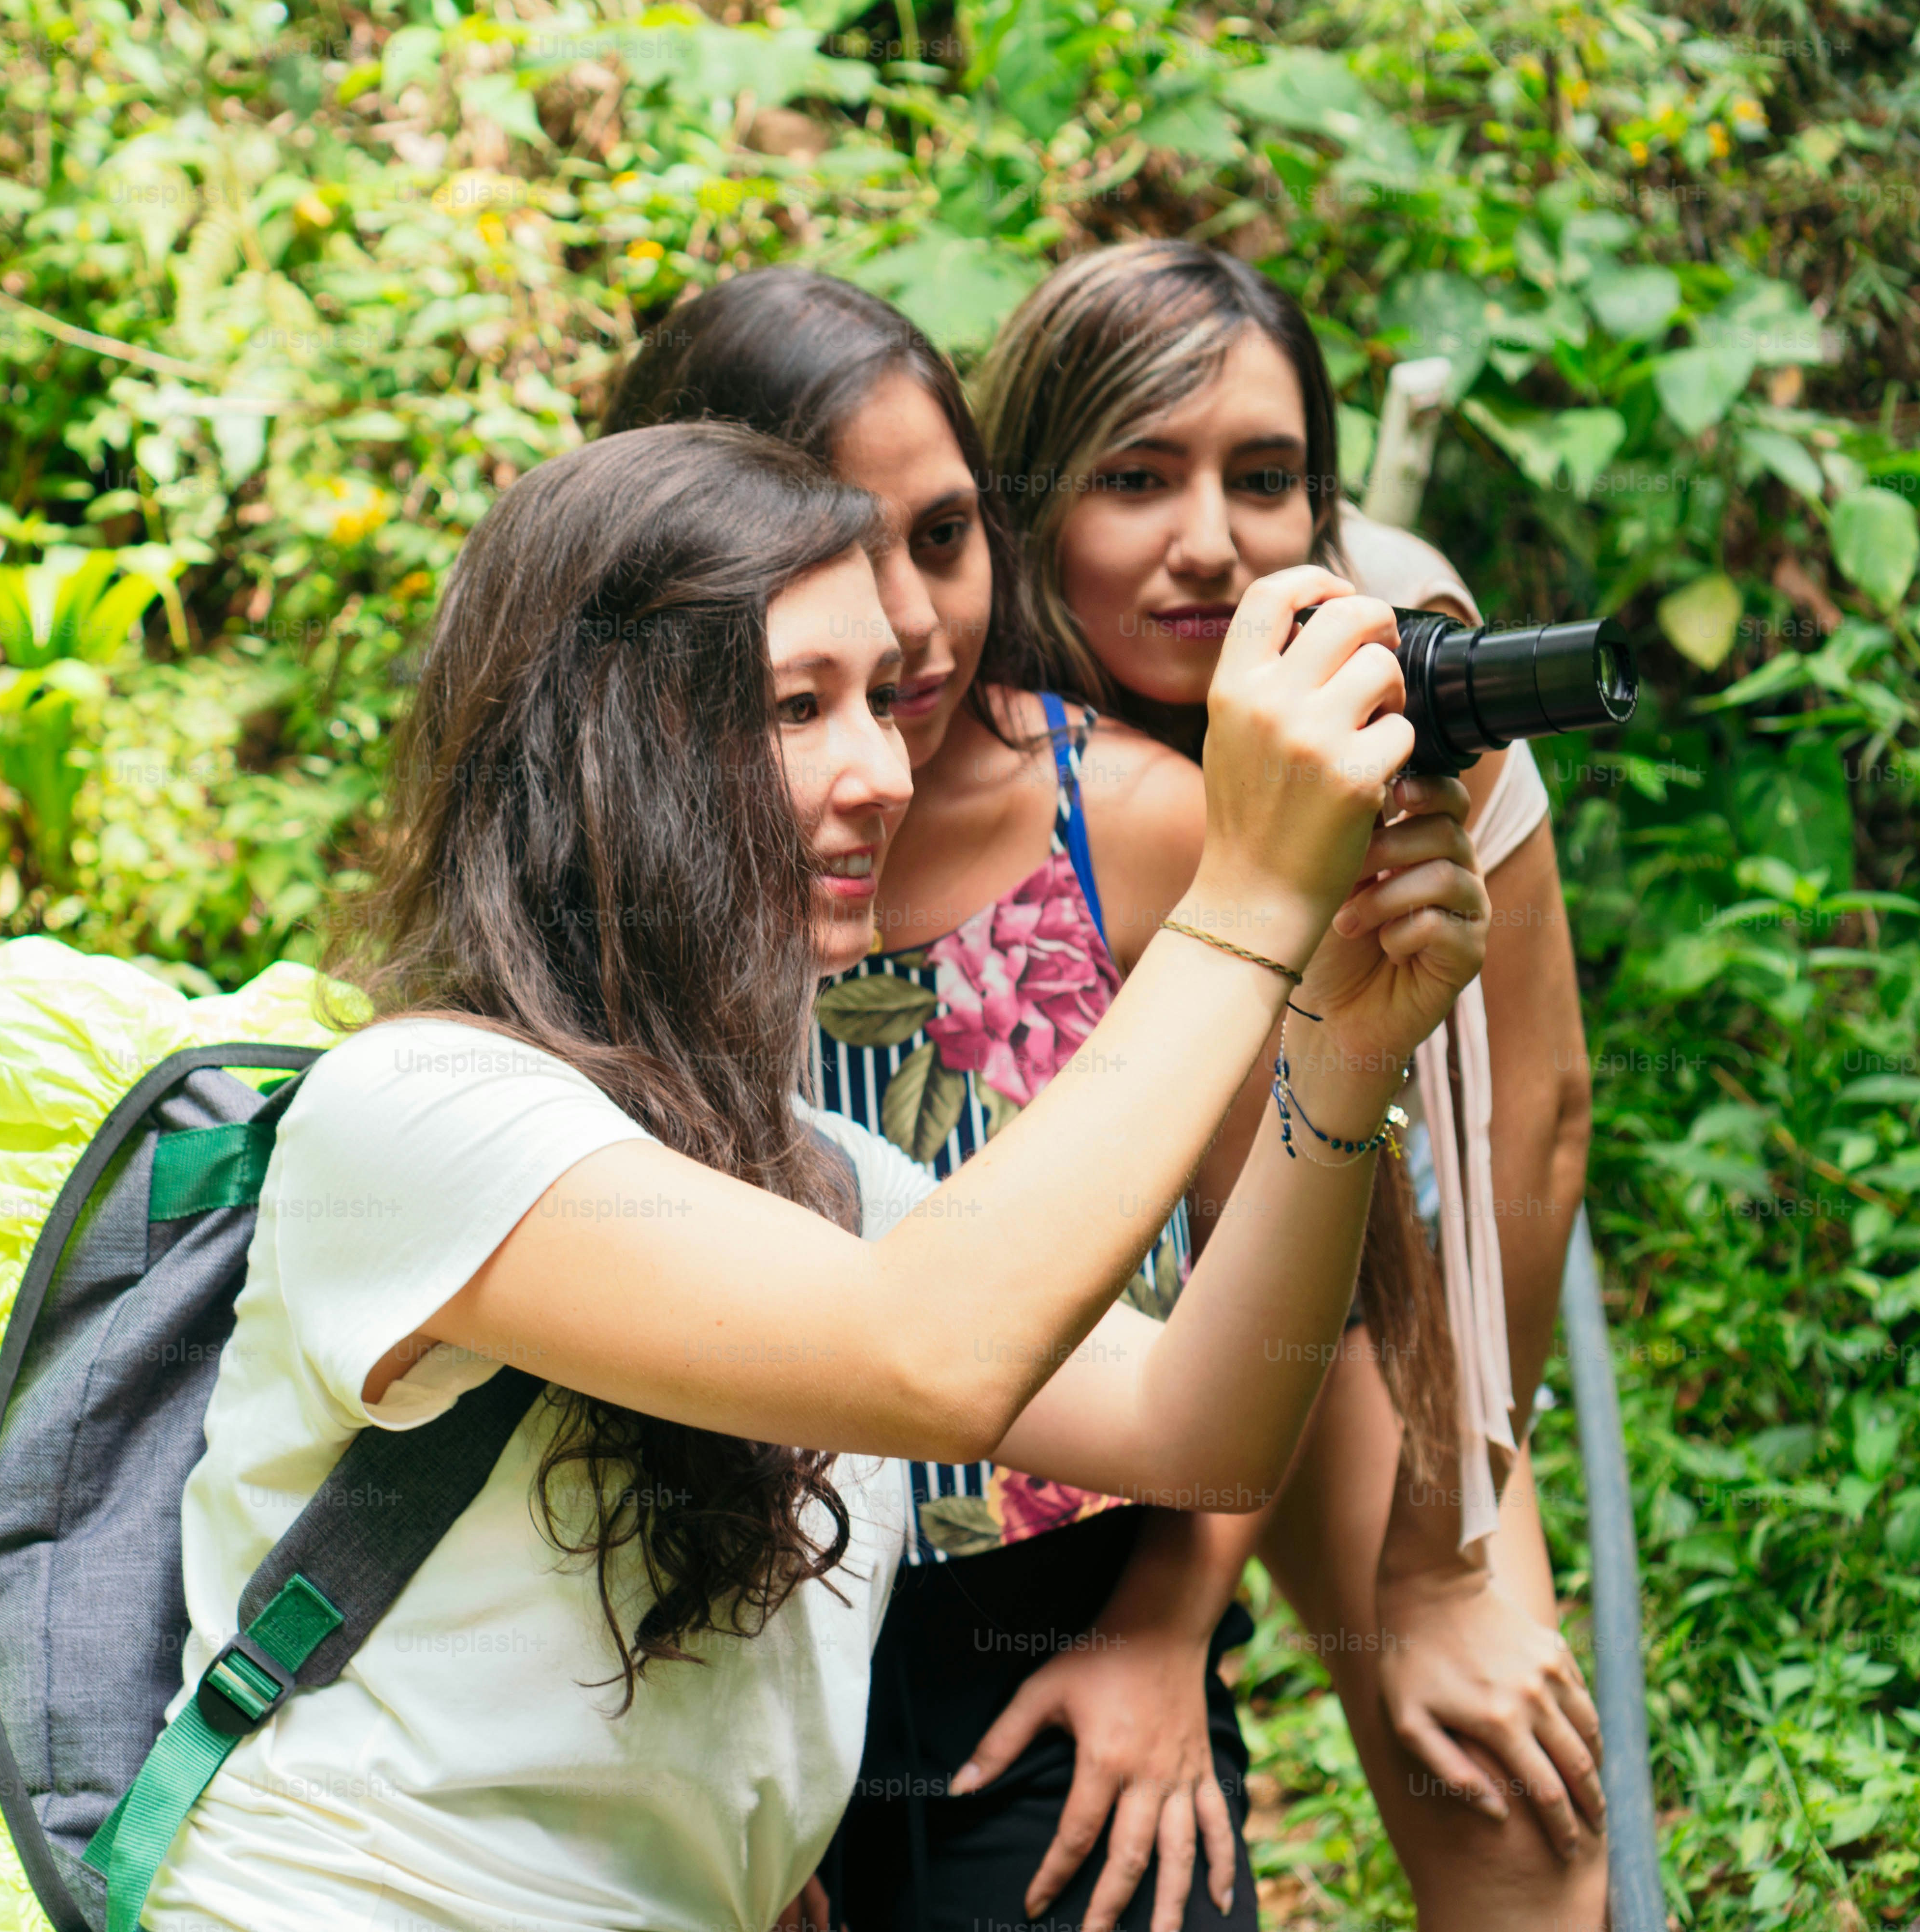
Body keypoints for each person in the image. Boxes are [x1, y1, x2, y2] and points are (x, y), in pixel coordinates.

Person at [136, 418, 1489, 1931]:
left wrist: (1338, 1052)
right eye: (797, 706)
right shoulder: (422, 1110)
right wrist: (1243, 895)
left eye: (882, 701)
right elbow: (935, 1354)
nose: (885, 772)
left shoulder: (818, 1175)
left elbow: (1202, 1428)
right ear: (611, 744)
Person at [604, 268, 1266, 1932]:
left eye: (946, 535)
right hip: (719, 1651)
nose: (906, 616)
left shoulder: (1130, 827)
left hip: (1063, 1636)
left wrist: (1167, 1636)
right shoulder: (622, 901)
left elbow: (1273, 1284)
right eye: (836, 553)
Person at [977, 238, 1608, 1932]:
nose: (1209, 542)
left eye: (1264, 481)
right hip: (1069, 1284)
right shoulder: (962, 708)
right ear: (1027, 501)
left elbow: (1537, 1116)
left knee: (1511, 1801)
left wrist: (1446, 1539)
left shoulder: (1408, 666)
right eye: (1135, 476)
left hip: (1351, 1261)